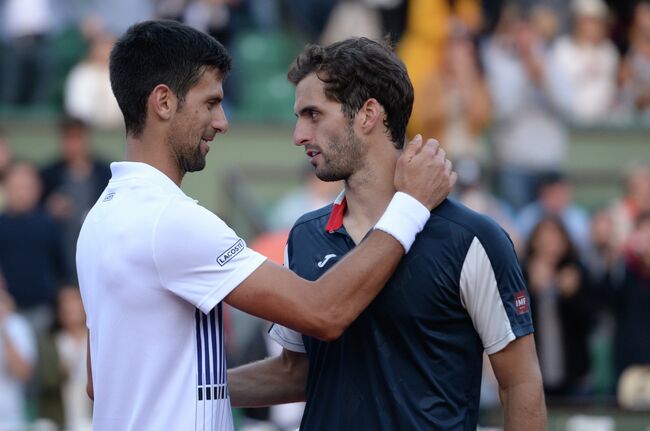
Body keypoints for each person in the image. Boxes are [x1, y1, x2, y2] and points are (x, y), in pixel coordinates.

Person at [76, 20, 455, 431]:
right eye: (211, 103)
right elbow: (323, 311)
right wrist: (411, 206)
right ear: (164, 102)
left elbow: (102, 382)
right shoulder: (171, 220)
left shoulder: (99, 220)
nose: (222, 122)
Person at [228, 37, 546, 430]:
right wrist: (198, 387)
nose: (298, 135)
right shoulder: (305, 236)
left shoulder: (473, 237)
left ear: (368, 114)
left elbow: (520, 384)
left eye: (313, 114)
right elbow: (297, 371)